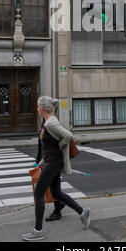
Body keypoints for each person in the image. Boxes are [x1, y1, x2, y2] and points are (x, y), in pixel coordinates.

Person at [22, 96, 90, 241]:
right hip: (51, 162)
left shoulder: (51, 123)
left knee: (39, 193)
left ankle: (38, 230)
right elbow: (49, 147)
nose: (36, 108)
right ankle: (83, 212)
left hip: (54, 163)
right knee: (56, 192)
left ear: (43, 109)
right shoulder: (48, 122)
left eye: (38, 106)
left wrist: (60, 147)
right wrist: (41, 162)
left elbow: (68, 135)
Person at [35, 118, 65, 221]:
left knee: (48, 187)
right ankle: (59, 206)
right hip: (47, 159)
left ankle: (58, 208)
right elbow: (41, 144)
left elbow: (65, 137)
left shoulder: (51, 123)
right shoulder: (45, 122)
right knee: (54, 186)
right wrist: (38, 159)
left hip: (51, 160)